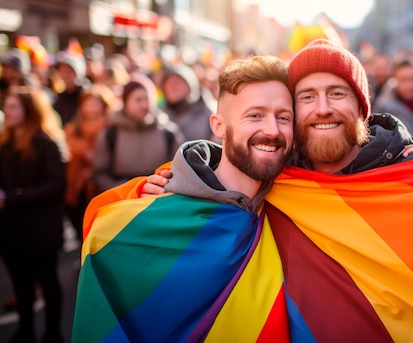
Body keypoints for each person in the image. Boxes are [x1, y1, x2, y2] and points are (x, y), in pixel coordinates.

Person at [80, 40, 413, 342]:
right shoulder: (279, 181)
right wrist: (159, 187)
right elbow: (223, 174)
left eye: (337, 93)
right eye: (306, 97)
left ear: (361, 107)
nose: (323, 107)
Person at [73, 55, 295, 342]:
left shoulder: (292, 207)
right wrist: (131, 195)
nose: (272, 130)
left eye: (284, 117)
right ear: (218, 126)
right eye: (254, 115)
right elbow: (101, 243)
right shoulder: (156, 210)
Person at [0, 86, 68, 343]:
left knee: (48, 282)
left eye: (14, 106)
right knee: (21, 284)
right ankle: (25, 330)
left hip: (41, 228)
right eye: (7, 105)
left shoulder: (47, 142)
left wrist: (13, 197)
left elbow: (56, 184)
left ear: (29, 110)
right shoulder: (5, 141)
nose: (8, 110)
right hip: (10, 228)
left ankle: (53, 333)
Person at [91, 74, 184, 193]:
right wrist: (123, 191)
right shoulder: (110, 133)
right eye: (138, 100)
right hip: (120, 201)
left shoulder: (169, 132)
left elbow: (180, 171)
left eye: (147, 99)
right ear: (126, 102)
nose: (144, 105)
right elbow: (99, 173)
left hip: (157, 198)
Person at [63, 84, 115, 242]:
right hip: (77, 182)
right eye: (88, 102)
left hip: (101, 183)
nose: (91, 107)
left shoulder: (111, 129)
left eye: (95, 102)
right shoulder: (73, 130)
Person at [161, 64, 216, 141]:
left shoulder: (209, 113)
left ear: (190, 85)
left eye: (177, 83)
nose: (173, 87)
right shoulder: (161, 118)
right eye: (169, 84)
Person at [53, 51, 87, 125]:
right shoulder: (59, 97)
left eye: (68, 71)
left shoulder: (86, 94)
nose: (65, 75)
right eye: (62, 71)